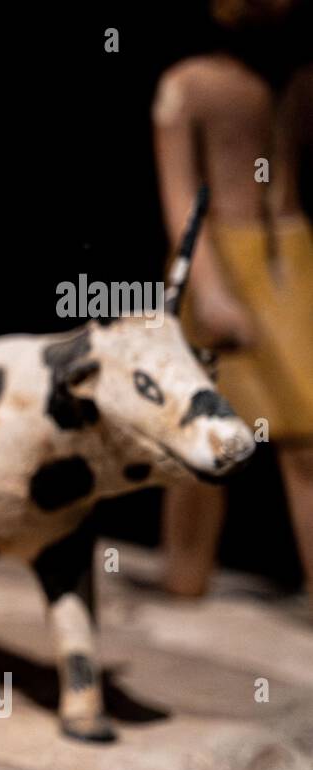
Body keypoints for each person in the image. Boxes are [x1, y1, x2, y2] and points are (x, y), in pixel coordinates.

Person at [154, 0, 313, 612]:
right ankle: (185, 575)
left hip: (289, 257)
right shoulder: (187, 85)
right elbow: (179, 194)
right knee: (203, 435)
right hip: (220, 257)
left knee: (303, 438)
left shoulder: (294, 81)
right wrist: (208, 286)